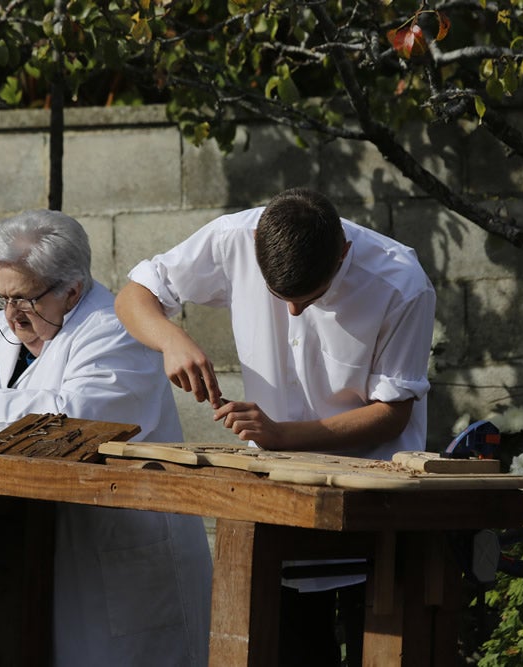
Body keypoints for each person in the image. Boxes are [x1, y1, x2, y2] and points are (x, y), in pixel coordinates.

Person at [0, 209, 212, 667]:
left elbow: (79, 416)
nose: (10, 315)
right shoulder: (9, 327)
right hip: (33, 556)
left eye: (24, 299)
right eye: (2, 298)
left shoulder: (115, 331)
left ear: (71, 290)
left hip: (118, 563)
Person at [115, 188, 436, 666]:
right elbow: (135, 293)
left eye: (310, 298)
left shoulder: (401, 282)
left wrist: (282, 435)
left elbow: (391, 413)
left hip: (373, 502)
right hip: (279, 500)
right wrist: (172, 340)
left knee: (382, 649)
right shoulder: (234, 237)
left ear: (343, 252)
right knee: (290, 648)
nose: (291, 313)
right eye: (278, 297)